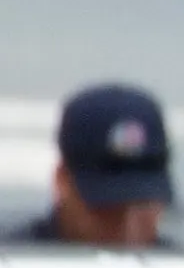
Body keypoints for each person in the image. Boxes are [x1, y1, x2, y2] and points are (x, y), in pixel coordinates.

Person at [21, 81, 171, 248]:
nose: (129, 227)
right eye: (110, 208)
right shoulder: (11, 265)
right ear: (62, 181)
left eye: (143, 204)